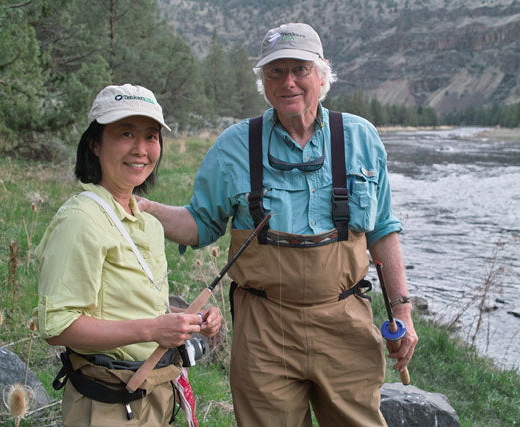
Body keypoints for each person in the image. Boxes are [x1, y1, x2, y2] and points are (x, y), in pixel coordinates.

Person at [140, 23, 418, 426]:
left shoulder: (361, 138)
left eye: (300, 69)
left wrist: (404, 313)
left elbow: (382, 231)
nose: (288, 81)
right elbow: (199, 224)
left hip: (345, 324)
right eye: (275, 71)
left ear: (322, 75)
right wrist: (142, 206)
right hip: (263, 331)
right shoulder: (234, 146)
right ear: (264, 82)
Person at [33, 84, 222, 426]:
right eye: (125, 133)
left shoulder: (147, 222)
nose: (140, 149)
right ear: (94, 144)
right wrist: (153, 329)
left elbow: (130, 306)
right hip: (107, 403)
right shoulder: (81, 219)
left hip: (154, 395)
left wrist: (188, 320)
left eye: (151, 136)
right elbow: (57, 327)